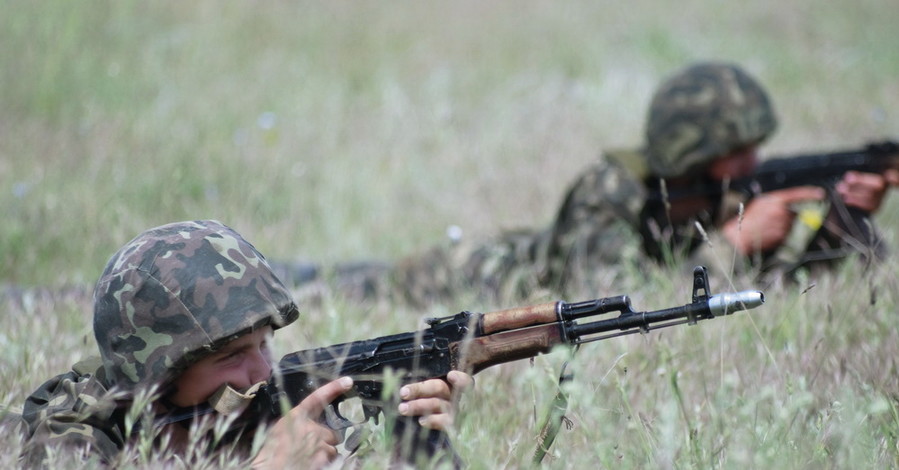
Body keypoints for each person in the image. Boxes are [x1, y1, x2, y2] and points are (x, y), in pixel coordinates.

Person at [283, 61, 898, 307]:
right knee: (331, 289)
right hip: (475, 276)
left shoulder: (725, 190)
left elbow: (795, 291)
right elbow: (609, 303)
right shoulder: (613, 189)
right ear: (696, 148)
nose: (753, 159)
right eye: (738, 148)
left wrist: (842, 218)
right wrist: (732, 247)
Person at [19, 220, 472, 468]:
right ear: (161, 375)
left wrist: (413, 444)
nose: (260, 372)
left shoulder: (258, 408)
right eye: (232, 355)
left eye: (264, 344)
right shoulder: (75, 425)